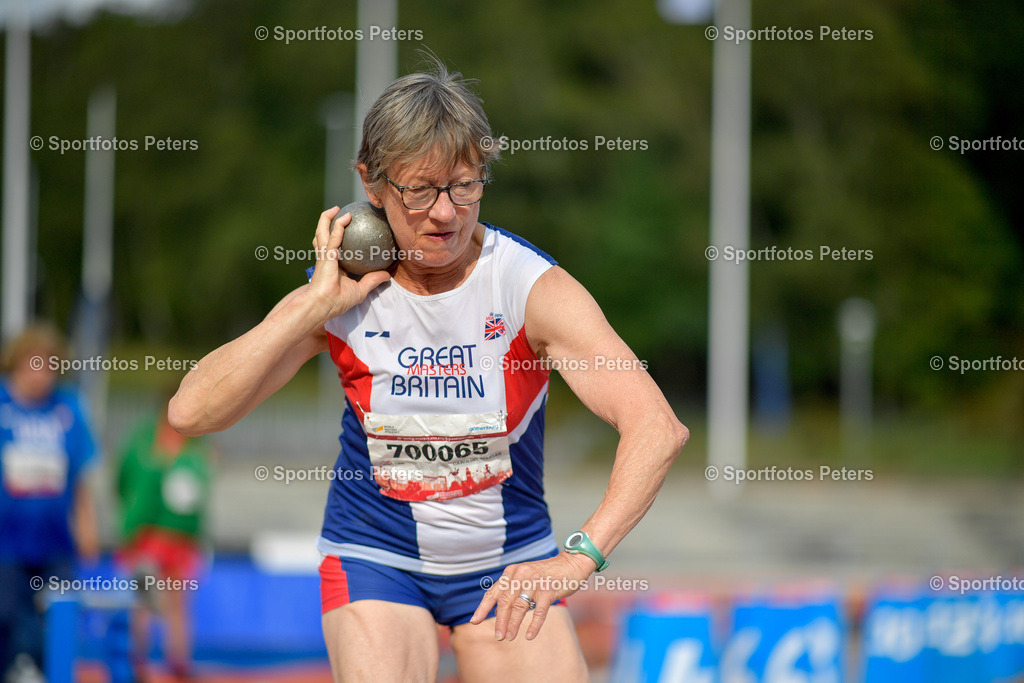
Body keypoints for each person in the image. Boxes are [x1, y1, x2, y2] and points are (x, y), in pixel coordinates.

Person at [169, 59, 688, 682]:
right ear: (372, 182)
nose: (445, 213)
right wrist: (310, 306)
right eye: (419, 190)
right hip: (375, 555)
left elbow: (657, 428)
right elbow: (191, 413)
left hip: (508, 562)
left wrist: (578, 559)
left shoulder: (529, 289)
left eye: (464, 186)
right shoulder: (341, 293)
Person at [0, 324, 99, 681]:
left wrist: (88, 526)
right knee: (8, 622)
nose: (42, 374)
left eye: (49, 365)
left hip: (56, 543)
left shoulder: (68, 408)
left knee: (56, 623)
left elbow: (82, 475)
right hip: (6, 544)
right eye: (35, 364)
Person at [116, 397, 212, 681]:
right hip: (147, 539)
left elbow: (196, 498)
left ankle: (178, 664)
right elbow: (123, 482)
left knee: (178, 603)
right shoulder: (143, 445)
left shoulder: (197, 449)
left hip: (180, 542)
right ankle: (136, 663)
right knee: (143, 603)